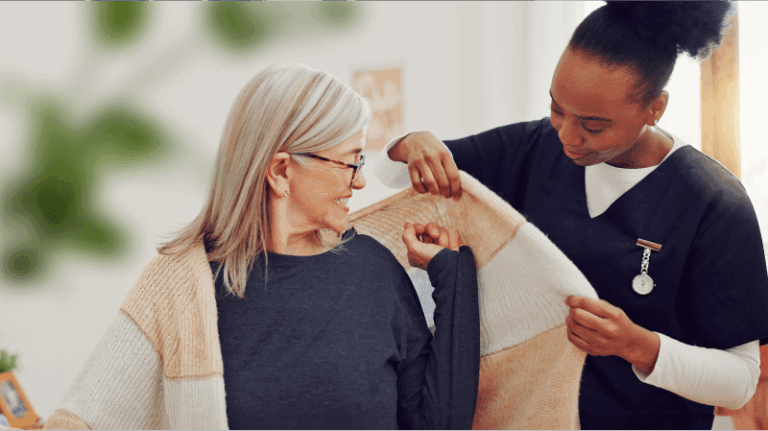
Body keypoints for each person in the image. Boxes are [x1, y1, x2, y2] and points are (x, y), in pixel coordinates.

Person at [375, 2, 768, 430]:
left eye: (593, 125)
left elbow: (741, 381)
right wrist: (412, 142)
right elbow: (398, 173)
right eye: (557, 108)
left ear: (655, 109)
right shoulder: (535, 147)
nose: (567, 136)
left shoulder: (714, 205)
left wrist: (638, 346)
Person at [44, 64, 480, 430]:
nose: (360, 181)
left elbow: (437, 424)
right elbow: (88, 416)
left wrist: (452, 276)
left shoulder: (373, 271)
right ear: (281, 172)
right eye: (350, 162)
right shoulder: (184, 285)